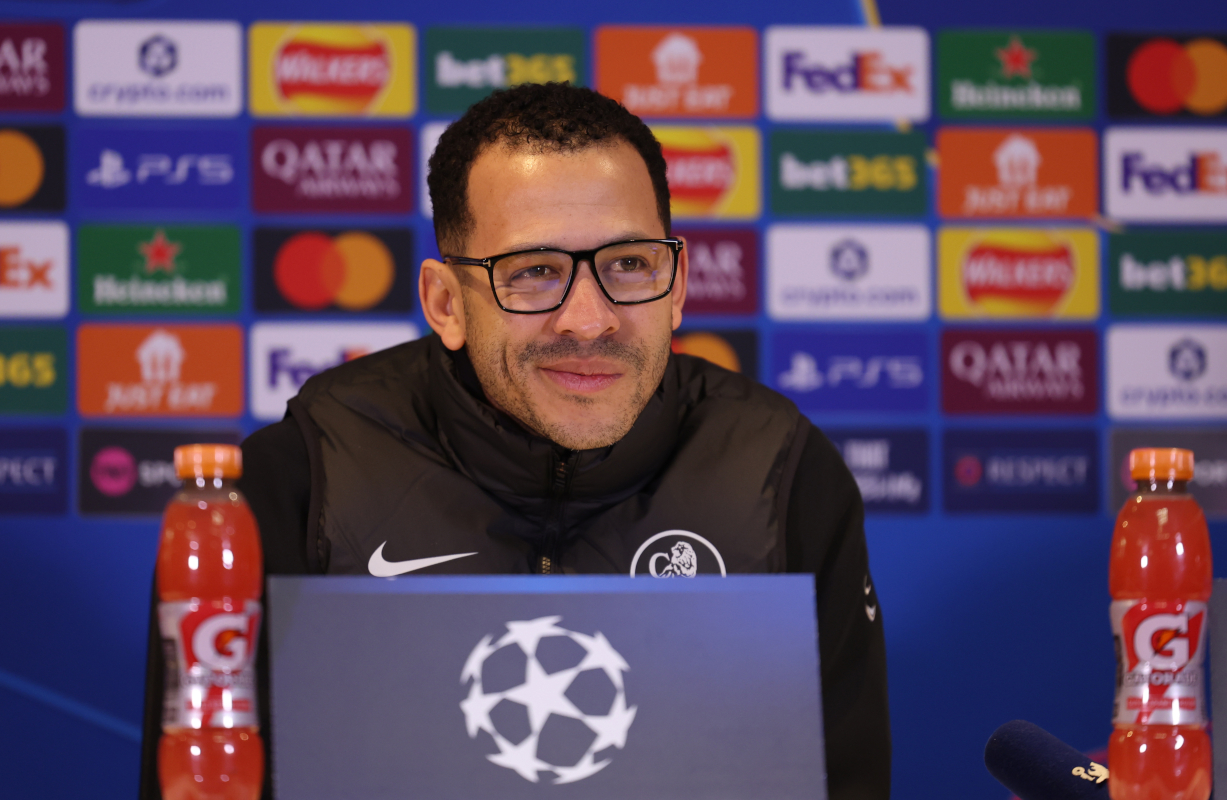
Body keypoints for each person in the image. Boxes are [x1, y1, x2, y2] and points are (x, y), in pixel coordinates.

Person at [139, 82, 890, 800]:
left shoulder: (783, 473)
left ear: (679, 282)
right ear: (445, 303)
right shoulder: (299, 481)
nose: (589, 320)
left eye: (629, 265)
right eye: (533, 273)